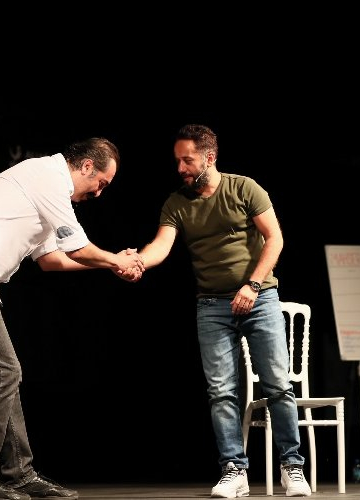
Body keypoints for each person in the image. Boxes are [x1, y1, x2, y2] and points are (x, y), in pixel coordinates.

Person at [0, 137, 145, 500]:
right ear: (87, 166)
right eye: (101, 183)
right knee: (4, 372)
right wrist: (116, 260)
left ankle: (19, 474)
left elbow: (52, 260)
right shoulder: (48, 176)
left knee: (6, 373)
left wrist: (110, 265)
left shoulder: (47, 190)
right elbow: (79, 248)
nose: (99, 193)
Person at [119, 124, 311, 497]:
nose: (180, 168)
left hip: (259, 298)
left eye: (187, 160)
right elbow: (161, 245)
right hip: (211, 304)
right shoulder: (177, 202)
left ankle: (292, 467)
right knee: (221, 391)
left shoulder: (244, 188)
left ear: (210, 157)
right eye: (177, 161)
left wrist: (253, 285)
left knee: (277, 384)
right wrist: (136, 261)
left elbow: (275, 238)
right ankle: (234, 470)